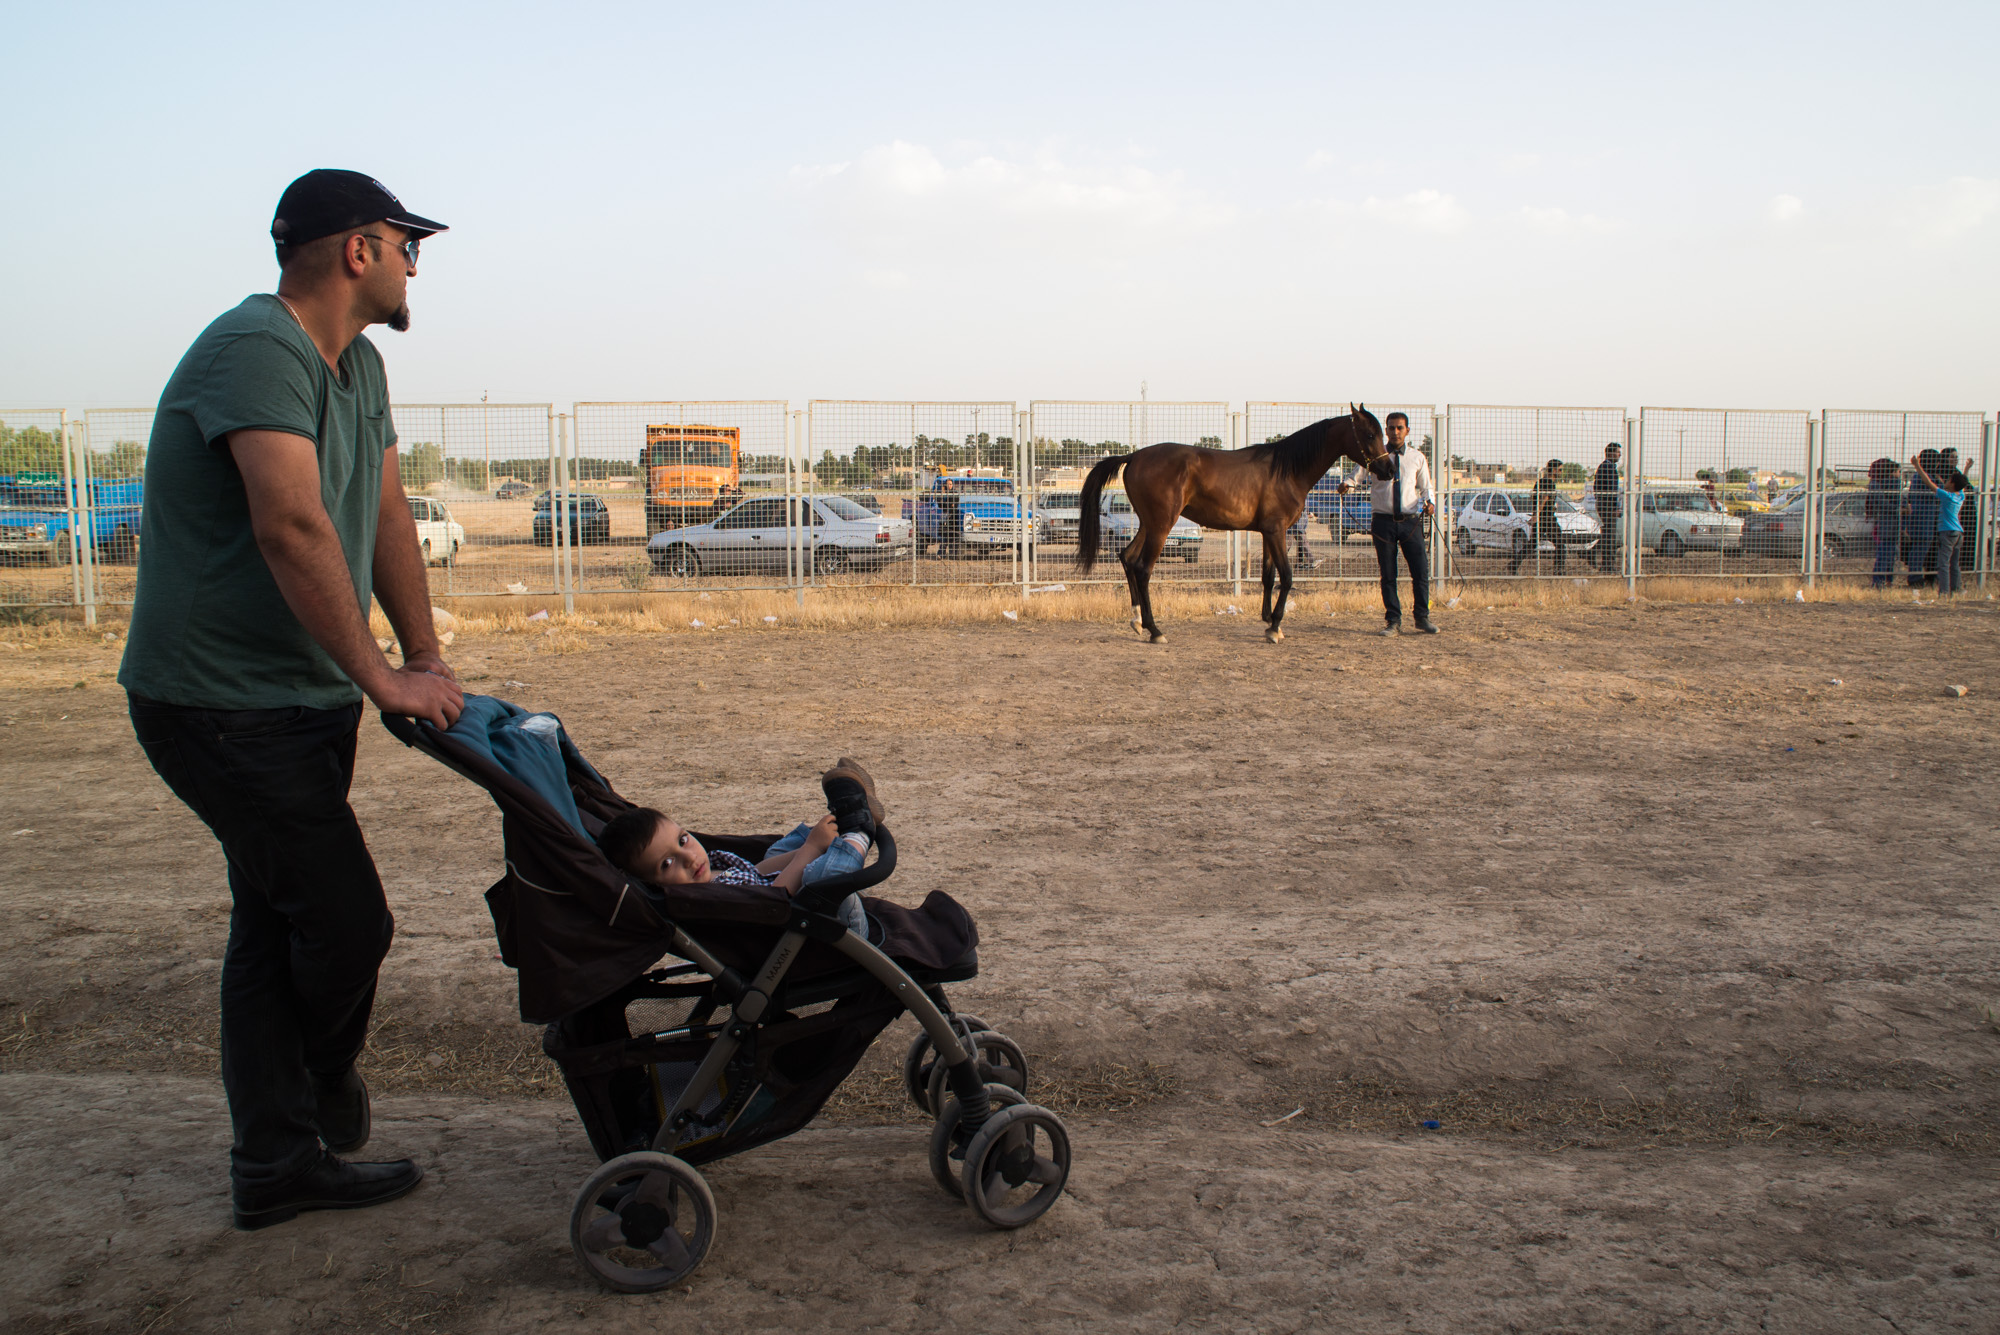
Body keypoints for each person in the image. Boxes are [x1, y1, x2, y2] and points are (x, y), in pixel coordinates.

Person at [119, 170, 463, 1231]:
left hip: (299, 700)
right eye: (408, 243)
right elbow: (293, 526)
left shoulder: (355, 366)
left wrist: (425, 654)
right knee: (345, 920)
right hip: (216, 700)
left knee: (273, 925)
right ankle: (315, 1092)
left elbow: (386, 518)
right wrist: (380, 675)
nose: (417, 264)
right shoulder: (256, 350)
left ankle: (275, 1159)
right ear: (356, 249)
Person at [600, 761, 884, 937]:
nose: (688, 858)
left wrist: (812, 847)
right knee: (818, 880)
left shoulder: (710, 868)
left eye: (683, 840)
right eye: (667, 864)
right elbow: (773, 897)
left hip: (798, 910)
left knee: (772, 854)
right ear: (651, 884)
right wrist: (811, 848)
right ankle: (859, 830)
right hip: (831, 931)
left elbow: (757, 872)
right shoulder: (705, 899)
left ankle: (840, 827)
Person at [1338, 410, 1435, 634]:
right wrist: (1346, 485)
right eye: (1391, 428)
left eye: (1399, 428)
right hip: (1383, 522)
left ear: (1407, 431)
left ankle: (1422, 617)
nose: (1395, 432)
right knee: (1388, 574)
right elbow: (1355, 478)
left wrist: (1430, 503)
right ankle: (1393, 621)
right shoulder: (1374, 455)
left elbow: (1426, 487)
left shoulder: (1417, 458)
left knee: (1420, 572)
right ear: (1386, 430)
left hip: (1410, 522)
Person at [1910, 453, 1967, 597]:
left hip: (1947, 533)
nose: (1945, 481)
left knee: (1943, 564)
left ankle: (1944, 592)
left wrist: (1917, 466)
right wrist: (1966, 469)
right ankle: (1957, 589)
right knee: (1954, 564)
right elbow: (1962, 484)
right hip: (1958, 533)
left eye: (1948, 480)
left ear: (1952, 484)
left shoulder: (1947, 496)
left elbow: (1929, 483)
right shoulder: (1960, 495)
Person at [1512, 459, 1566, 575]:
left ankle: (1513, 565)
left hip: (1542, 517)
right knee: (1561, 544)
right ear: (1554, 470)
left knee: (1532, 544)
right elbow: (1543, 499)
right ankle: (1559, 570)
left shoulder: (1540, 481)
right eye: (1560, 470)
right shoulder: (1549, 483)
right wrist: (1538, 514)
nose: (1561, 472)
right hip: (1547, 518)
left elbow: (1533, 498)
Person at [1904, 450, 1940, 588]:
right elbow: (1939, 490)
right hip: (1924, 520)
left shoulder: (1919, 476)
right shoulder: (1924, 477)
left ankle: (1920, 577)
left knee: (1921, 550)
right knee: (1919, 550)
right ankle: (1915, 579)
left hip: (1924, 519)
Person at [1865, 457, 1902, 588]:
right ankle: (1878, 581)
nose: (1899, 475)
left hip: (1890, 525)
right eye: (1898, 471)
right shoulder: (1879, 484)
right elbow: (1882, 503)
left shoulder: (1882, 483)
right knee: (1884, 554)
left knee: (1890, 555)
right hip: (1885, 525)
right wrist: (1898, 509)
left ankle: (1887, 580)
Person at [1592, 442, 1622, 573]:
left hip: (1604, 504)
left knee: (1608, 535)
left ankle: (1607, 564)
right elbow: (1611, 490)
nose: (1619, 455)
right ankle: (1608, 565)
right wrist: (1614, 507)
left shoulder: (1606, 467)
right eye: (1617, 452)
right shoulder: (1607, 468)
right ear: (1610, 453)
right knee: (1610, 536)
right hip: (1607, 506)